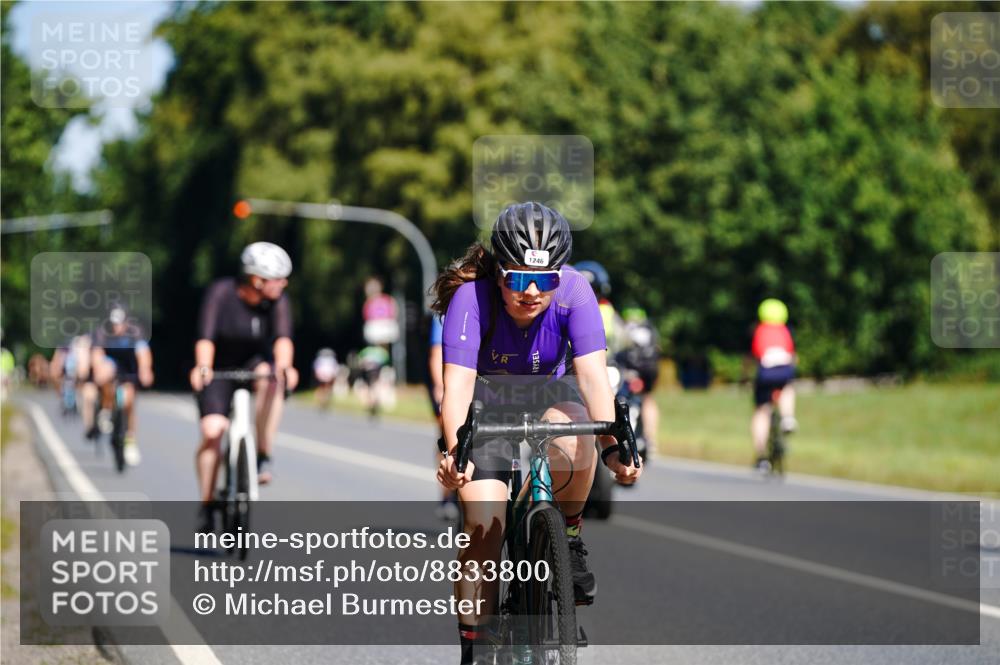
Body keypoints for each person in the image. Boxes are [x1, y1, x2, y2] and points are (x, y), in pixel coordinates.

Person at [433, 202, 641, 664]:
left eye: (544, 280)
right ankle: (476, 647)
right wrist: (456, 452)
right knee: (483, 522)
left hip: (552, 391)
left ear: (559, 274)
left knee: (578, 437)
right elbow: (458, 387)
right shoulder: (472, 299)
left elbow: (592, 378)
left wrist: (612, 446)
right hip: (486, 404)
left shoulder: (577, 292)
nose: (530, 292)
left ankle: (566, 534)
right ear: (498, 272)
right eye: (517, 278)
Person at [189, 242, 299, 533]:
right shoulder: (221, 294)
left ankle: (263, 454)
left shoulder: (278, 301)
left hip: (253, 366)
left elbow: (282, 339)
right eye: (278, 279)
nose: (284, 284)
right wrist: (203, 367)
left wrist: (285, 367)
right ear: (257, 279)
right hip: (219, 369)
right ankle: (207, 502)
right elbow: (205, 336)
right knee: (213, 432)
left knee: (271, 376)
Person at [92, 306, 154, 465]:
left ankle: (130, 440)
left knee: (129, 401)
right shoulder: (102, 332)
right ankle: (106, 410)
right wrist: (98, 369)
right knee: (105, 371)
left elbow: (143, 353)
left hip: (128, 370)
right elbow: (97, 354)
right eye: (114, 323)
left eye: (119, 323)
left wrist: (145, 370)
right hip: (111, 366)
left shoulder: (135, 332)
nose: (116, 327)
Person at [749, 298, 797, 470]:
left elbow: (755, 356)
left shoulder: (759, 330)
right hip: (785, 371)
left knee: (761, 411)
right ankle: (788, 418)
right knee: (788, 387)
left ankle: (761, 456)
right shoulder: (787, 331)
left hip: (765, 373)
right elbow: (793, 356)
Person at [427, 314, 458, 521]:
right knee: (446, 435)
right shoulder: (446, 315)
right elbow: (437, 352)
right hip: (447, 380)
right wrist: (440, 387)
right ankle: (446, 495)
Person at [619, 306, 661, 457]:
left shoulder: (625, 327)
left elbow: (620, 348)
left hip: (631, 369)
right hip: (650, 370)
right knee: (648, 399)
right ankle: (651, 439)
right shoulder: (650, 328)